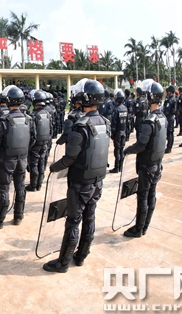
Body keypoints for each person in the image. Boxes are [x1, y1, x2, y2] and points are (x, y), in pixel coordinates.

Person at [43, 80, 109, 273]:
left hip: (80, 183)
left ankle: (63, 262)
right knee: (90, 218)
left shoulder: (81, 127)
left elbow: (70, 158)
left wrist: (54, 167)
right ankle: (81, 256)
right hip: (97, 181)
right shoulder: (105, 122)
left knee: (73, 221)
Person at [0, 86, 34, 228]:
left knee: (4, 188)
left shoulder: (4, 120)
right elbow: (33, 139)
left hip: (7, 160)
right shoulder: (28, 119)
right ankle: (18, 216)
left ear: (8, 101)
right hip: (22, 159)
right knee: (20, 186)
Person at [122, 81, 166, 238]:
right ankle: (145, 226)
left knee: (143, 197)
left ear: (150, 98)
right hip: (157, 164)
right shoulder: (163, 117)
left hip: (147, 166)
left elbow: (141, 145)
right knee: (151, 195)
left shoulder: (150, 121)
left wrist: (128, 150)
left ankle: (138, 228)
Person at [26, 91, 51, 193]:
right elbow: (51, 129)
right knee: (42, 163)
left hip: (35, 144)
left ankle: (33, 185)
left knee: (34, 164)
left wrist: (30, 144)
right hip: (44, 143)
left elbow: (31, 132)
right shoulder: (47, 114)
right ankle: (39, 185)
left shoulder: (33, 115)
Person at [109, 90, 129, 173]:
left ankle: (117, 167)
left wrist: (112, 135)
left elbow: (114, 123)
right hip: (124, 132)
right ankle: (121, 167)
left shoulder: (116, 109)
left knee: (117, 150)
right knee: (121, 150)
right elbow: (127, 122)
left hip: (118, 133)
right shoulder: (125, 108)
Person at [163, 85, 176, 154]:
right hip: (168, 117)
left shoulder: (172, 99)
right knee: (169, 132)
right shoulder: (169, 98)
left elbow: (169, 110)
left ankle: (169, 147)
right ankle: (169, 146)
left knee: (170, 132)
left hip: (170, 117)